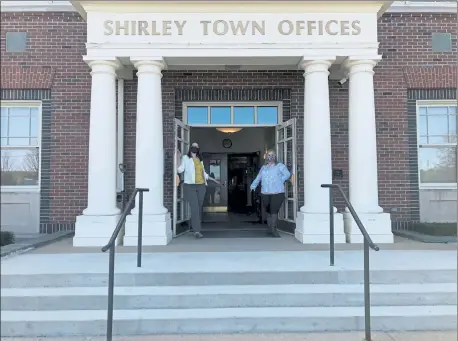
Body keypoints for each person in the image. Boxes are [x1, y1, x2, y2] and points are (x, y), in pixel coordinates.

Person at [177, 142, 218, 238]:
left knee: (198, 208)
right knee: (195, 207)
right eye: (193, 146)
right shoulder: (186, 158)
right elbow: (180, 170)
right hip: (190, 186)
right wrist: (178, 157)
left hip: (201, 186)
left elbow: (204, 174)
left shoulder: (200, 160)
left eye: (196, 147)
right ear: (190, 148)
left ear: (198, 149)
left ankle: (195, 226)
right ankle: (197, 231)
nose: (194, 148)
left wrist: (214, 180)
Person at [250, 149, 291, 237]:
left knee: (274, 211)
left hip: (277, 192)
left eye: (272, 155)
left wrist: (280, 180)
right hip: (265, 192)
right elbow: (259, 177)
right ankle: (269, 229)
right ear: (266, 156)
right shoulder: (264, 167)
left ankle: (274, 230)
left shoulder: (280, 166)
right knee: (268, 211)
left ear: (275, 156)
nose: (270, 157)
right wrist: (253, 186)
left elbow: (287, 174)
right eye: (269, 155)